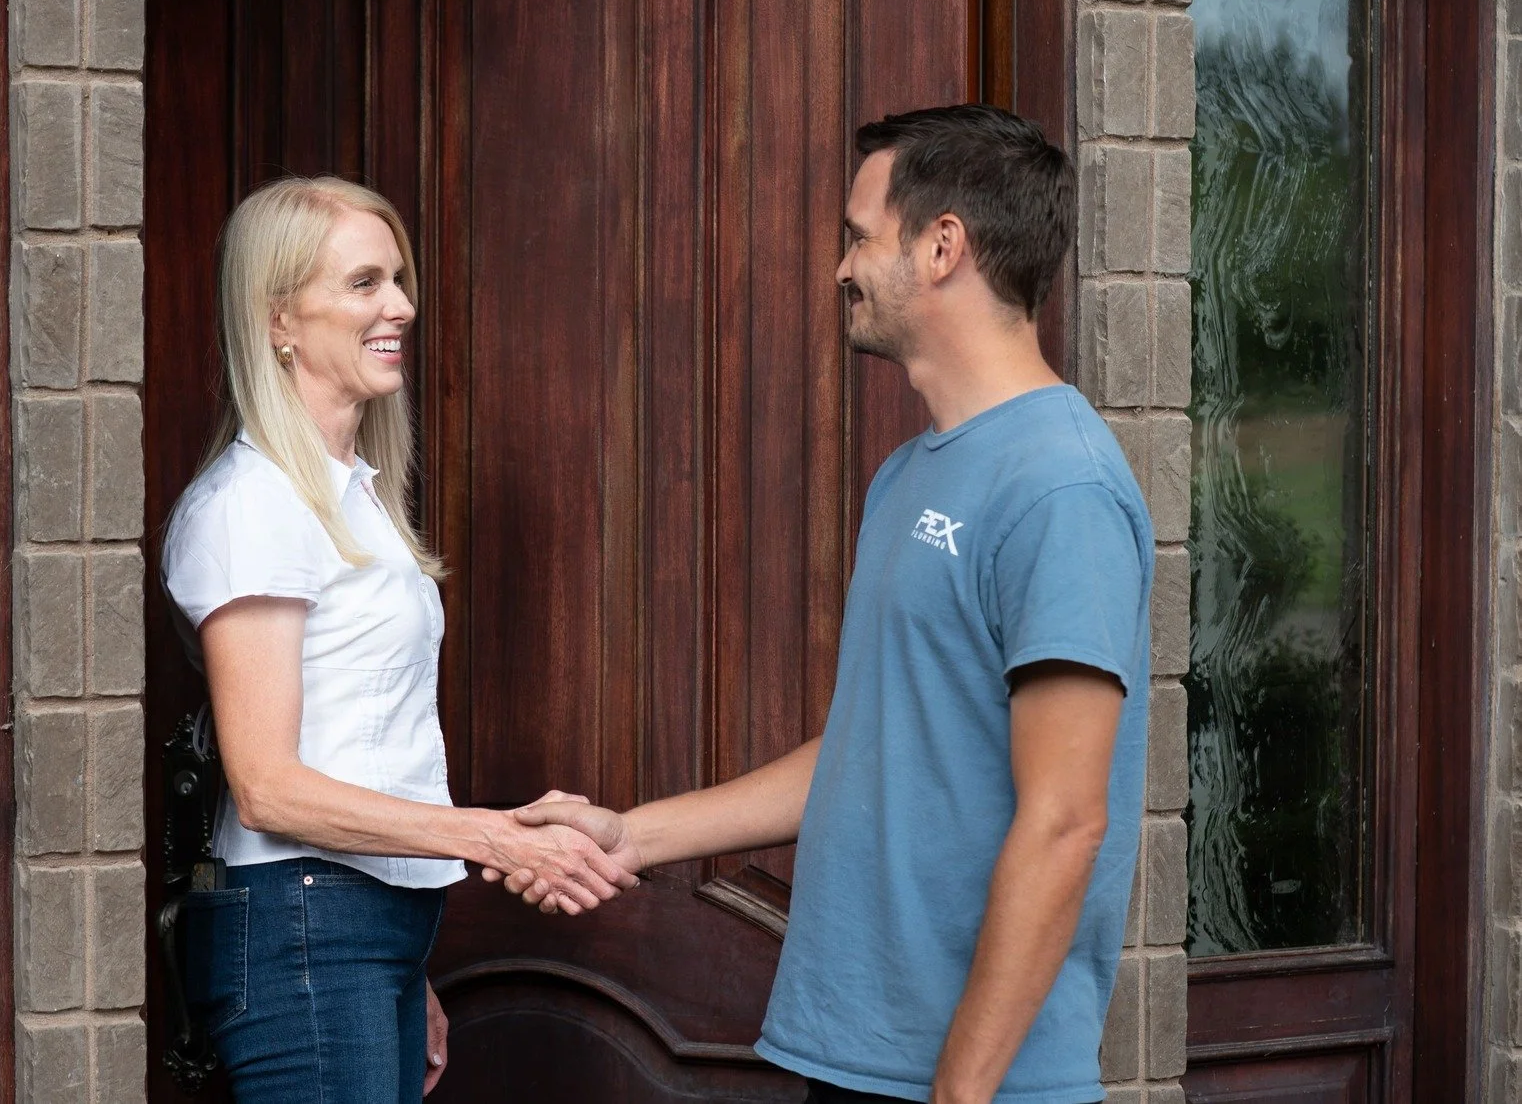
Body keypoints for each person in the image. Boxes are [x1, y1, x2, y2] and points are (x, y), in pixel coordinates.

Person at [488, 104, 1153, 1104]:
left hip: (973, 1083)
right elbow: (870, 750)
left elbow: (1066, 822)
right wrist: (628, 834)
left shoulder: (1060, 487)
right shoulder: (906, 478)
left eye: (857, 235)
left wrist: (961, 1092)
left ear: (941, 247)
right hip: (850, 1053)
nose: (840, 268)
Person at [160, 176, 635, 1104]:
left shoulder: (351, 495)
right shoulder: (250, 506)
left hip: (354, 929)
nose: (402, 306)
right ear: (279, 319)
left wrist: (404, 966)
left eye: (399, 279)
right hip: (304, 925)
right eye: (366, 282)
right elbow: (268, 786)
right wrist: (490, 837)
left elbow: (362, 738)